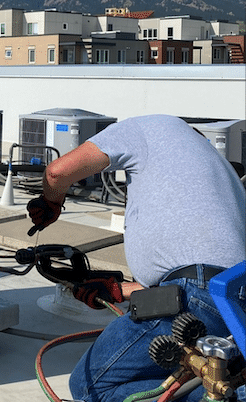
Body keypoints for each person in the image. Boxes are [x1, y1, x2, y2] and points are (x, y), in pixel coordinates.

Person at [26, 114, 246, 402]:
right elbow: (202, 274)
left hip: (196, 297)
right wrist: (117, 290)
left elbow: (58, 172)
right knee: (204, 378)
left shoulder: (145, 127)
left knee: (90, 386)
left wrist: (51, 200)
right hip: (231, 304)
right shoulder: (217, 171)